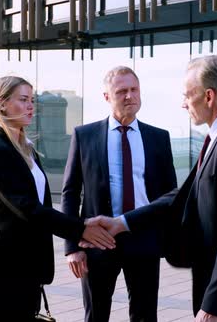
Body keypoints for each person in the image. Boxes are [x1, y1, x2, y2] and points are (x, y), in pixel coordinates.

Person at [96, 56, 217, 322]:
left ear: (209, 96)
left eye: (188, 95)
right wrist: (122, 222)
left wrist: (214, 305)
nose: (183, 103)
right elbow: (184, 195)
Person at [0, 76, 116, 322]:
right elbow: (27, 208)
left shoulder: (28, 151)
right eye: (23, 100)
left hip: (26, 270)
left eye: (32, 101)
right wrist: (79, 229)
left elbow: (41, 207)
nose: (30, 107)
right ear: (2, 104)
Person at [61, 66, 177, 322]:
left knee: (145, 315)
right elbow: (70, 192)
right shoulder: (85, 136)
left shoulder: (159, 138)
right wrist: (72, 246)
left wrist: (166, 241)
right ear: (106, 97)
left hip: (143, 239)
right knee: (96, 315)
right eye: (121, 91)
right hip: (97, 241)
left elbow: (170, 195)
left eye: (134, 90)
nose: (129, 96)